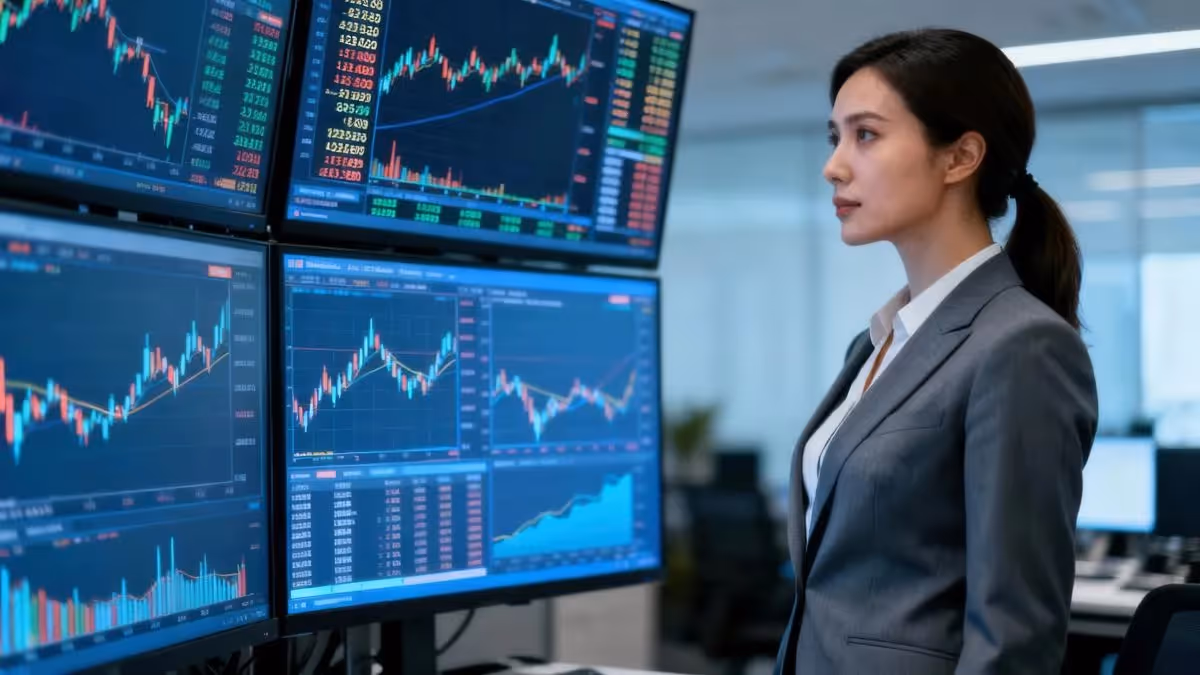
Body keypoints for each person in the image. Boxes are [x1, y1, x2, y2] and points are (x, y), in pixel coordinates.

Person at [774, 29, 1099, 675]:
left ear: (960, 157)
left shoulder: (1022, 346)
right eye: (834, 137)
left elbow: (1015, 635)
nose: (834, 165)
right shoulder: (874, 343)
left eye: (865, 135)